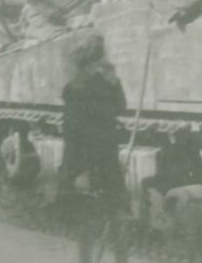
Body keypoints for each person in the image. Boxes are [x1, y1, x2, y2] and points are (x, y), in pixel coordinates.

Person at [60, 33, 129, 263]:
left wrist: (114, 81)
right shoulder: (75, 89)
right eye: (101, 58)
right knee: (88, 220)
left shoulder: (103, 83)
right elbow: (72, 135)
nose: (104, 62)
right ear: (91, 61)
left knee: (117, 215)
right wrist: (81, 172)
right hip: (86, 163)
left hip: (107, 159)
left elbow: (120, 108)